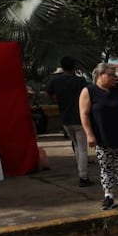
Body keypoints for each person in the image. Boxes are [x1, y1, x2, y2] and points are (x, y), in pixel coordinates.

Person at [79, 62, 118, 210]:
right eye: (110, 75)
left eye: (114, 76)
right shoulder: (89, 91)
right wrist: (90, 134)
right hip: (102, 136)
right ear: (100, 75)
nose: (113, 78)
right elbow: (84, 114)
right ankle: (108, 196)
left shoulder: (117, 91)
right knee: (106, 167)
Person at [45, 57, 94, 187]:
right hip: (79, 118)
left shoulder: (56, 81)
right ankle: (83, 176)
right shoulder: (80, 81)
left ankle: (81, 173)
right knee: (82, 149)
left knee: (76, 145)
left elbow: (49, 93)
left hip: (65, 118)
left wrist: (57, 100)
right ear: (74, 67)